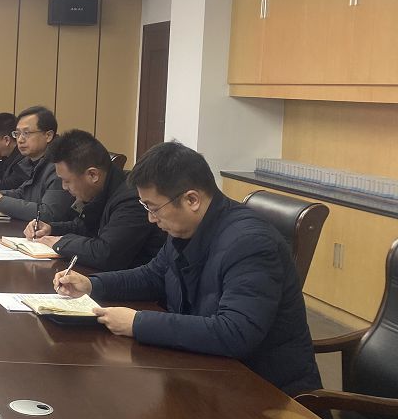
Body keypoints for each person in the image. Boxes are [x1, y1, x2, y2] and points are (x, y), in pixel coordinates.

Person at [53, 141, 322, 396]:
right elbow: (153, 275)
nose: (151, 218)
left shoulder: (250, 243)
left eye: (154, 208)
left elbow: (235, 332)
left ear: (192, 199)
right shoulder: (187, 228)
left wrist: (138, 323)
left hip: (266, 394)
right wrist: (92, 284)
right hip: (208, 375)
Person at [22, 130, 163, 271]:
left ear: (93, 175)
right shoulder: (103, 188)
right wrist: (51, 228)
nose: (64, 187)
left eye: (67, 181)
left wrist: (60, 242)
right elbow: (85, 227)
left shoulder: (132, 199)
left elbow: (106, 254)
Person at [0, 106, 73, 222]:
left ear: (48, 136)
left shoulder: (59, 165)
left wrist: (2, 202)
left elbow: (49, 213)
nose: (20, 140)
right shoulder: (32, 162)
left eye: (26, 133)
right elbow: (22, 193)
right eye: (17, 133)